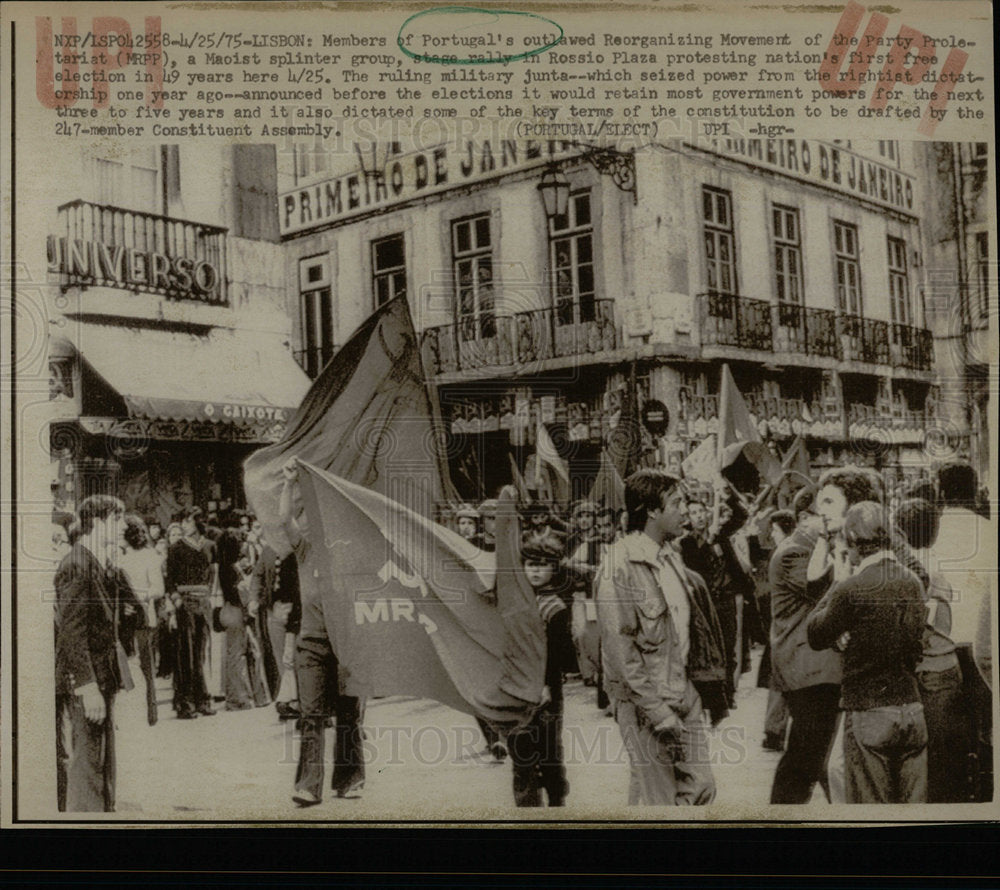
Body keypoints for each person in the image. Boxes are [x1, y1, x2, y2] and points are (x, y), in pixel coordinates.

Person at [597, 469, 724, 806]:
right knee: (659, 800)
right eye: (676, 502)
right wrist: (656, 711)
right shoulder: (619, 566)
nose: (685, 510)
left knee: (701, 787)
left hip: (682, 692)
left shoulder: (670, 557)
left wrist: (701, 691)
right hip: (646, 702)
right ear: (652, 511)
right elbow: (621, 651)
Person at [807, 502, 928, 803]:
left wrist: (838, 580)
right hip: (912, 710)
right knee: (914, 812)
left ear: (852, 543)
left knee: (870, 810)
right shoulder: (912, 582)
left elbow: (815, 633)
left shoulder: (852, 587)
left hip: (868, 712)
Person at [282, 460, 366, 807]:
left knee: (348, 715)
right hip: (312, 644)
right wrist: (289, 484)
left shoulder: (355, 553)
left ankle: (350, 779)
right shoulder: (305, 549)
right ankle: (308, 786)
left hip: (348, 644)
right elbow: (285, 519)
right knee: (311, 714)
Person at [768, 485, 843, 805]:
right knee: (806, 755)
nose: (827, 522)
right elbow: (827, 593)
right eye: (820, 515)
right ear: (803, 517)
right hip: (808, 668)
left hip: (816, 667)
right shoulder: (795, 551)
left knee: (815, 753)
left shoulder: (806, 547)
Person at [55, 495, 127, 812]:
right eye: (117, 519)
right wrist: (86, 686)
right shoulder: (77, 565)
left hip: (102, 676)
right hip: (88, 681)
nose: (123, 526)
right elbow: (72, 633)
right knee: (88, 762)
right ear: (98, 522)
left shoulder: (94, 562)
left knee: (99, 757)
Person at [894, 497, 966, 802]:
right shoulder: (940, 565)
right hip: (944, 670)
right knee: (942, 766)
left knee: (921, 764)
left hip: (923, 674)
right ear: (934, 531)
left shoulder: (908, 570)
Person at [505, 530, 577, 806]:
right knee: (521, 752)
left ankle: (557, 799)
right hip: (517, 687)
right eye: (530, 564)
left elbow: (561, 658)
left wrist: (546, 684)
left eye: (542, 564)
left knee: (548, 752)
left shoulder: (555, 608)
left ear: (553, 568)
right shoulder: (513, 603)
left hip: (547, 690)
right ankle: (528, 810)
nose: (535, 570)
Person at [165, 507, 216, 720]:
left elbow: (213, 574)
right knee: (185, 655)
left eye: (187, 521)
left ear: (196, 522)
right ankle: (185, 703)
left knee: (200, 653)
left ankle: (202, 700)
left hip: (203, 603)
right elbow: (170, 580)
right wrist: (176, 601)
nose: (184, 525)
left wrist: (210, 598)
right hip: (185, 604)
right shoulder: (176, 548)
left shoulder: (210, 546)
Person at [117, 514, 164, 726]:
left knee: (145, 666)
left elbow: (158, 589)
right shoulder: (119, 556)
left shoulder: (149, 555)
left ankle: (150, 713)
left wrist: (137, 596)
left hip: (143, 617)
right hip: (123, 618)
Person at [216, 529, 270, 712]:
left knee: (239, 655)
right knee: (243, 654)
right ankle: (240, 697)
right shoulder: (232, 568)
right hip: (236, 611)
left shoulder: (225, 566)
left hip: (230, 611)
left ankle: (241, 697)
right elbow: (239, 593)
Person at [250, 540, 302, 721]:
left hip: (298, 609)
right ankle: (290, 698)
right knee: (281, 657)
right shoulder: (268, 550)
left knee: (298, 656)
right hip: (275, 609)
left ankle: (304, 701)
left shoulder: (299, 546)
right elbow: (258, 575)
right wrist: (254, 599)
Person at [758, 509, 795, 752]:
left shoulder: (785, 555)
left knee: (779, 681)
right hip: (782, 628)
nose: (771, 534)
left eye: (774, 529)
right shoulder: (784, 553)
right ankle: (774, 729)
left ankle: (774, 730)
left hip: (784, 629)